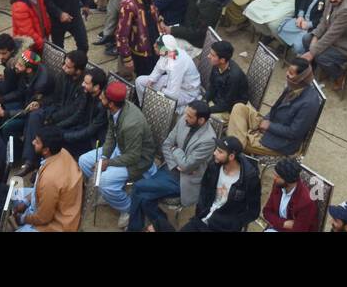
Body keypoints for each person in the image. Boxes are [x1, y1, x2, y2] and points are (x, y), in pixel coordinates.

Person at [125, 99, 215, 232]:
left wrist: (175, 150)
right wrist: (174, 164)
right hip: (169, 169)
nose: (185, 117)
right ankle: (160, 222)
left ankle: (136, 229)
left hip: (183, 181)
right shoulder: (183, 120)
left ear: (201, 120)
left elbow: (186, 165)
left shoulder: (208, 139)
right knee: (144, 197)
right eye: (186, 113)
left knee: (138, 187)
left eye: (190, 116)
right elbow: (167, 144)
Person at [77, 79, 153, 226]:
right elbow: (111, 135)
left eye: (103, 97)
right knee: (84, 161)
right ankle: (107, 194)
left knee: (105, 181)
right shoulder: (114, 109)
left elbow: (133, 156)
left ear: (111, 103)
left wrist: (107, 163)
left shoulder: (131, 124)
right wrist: (104, 156)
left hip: (138, 161)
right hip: (121, 149)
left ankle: (129, 208)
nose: (100, 97)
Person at [227, 57, 321, 156]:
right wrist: (265, 122)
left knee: (237, 138)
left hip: (280, 142)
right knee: (239, 107)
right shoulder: (293, 86)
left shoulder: (309, 103)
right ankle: (238, 143)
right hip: (269, 125)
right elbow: (275, 108)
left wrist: (269, 126)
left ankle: (233, 150)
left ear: (301, 78)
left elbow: (294, 133)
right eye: (288, 71)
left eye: (291, 73)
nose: (287, 74)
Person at [177, 136, 261, 232]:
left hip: (224, 227)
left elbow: (253, 211)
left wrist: (233, 223)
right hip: (203, 217)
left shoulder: (249, 178)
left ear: (231, 156)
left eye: (220, 151)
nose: (214, 153)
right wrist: (200, 210)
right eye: (216, 149)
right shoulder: (213, 166)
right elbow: (204, 191)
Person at [12, 126, 84, 232]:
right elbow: (40, 190)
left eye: (37, 142)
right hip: (51, 201)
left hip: (57, 224)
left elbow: (43, 218)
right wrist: (25, 201)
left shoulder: (49, 180)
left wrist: (22, 219)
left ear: (46, 150)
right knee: (13, 193)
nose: (32, 142)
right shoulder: (62, 151)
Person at [261, 157, 318, 232]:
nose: (274, 178)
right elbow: (267, 212)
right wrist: (284, 223)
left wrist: (276, 222)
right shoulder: (278, 184)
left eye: (277, 177)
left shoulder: (306, 202)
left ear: (288, 180)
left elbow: (300, 229)